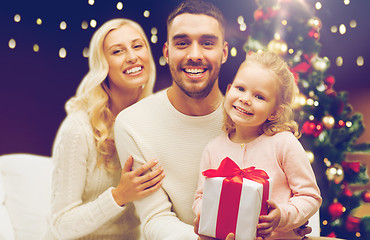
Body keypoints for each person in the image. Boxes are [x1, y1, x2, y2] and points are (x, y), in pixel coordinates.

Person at [114, 1, 312, 239]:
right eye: (182, 43)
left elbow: (302, 193)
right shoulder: (133, 124)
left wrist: (289, 220)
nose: (195, 55)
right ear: (167, 52)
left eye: (207, 43)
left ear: (224, 52)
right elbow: (155, 218)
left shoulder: (258, 122)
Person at [45, 18, 165, 240]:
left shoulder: (155, 122)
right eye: (118, 51)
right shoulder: (79, 128)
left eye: (138, 46)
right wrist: (119, 196)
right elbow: (59, 226)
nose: (132, 57)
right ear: (103, 66)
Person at [193, 51, 322, 239]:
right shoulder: (213, 149)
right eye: (240, 88)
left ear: (275, 113)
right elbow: (200, 198)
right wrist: (203, 214)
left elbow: (310, 197)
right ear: (228, 90)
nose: (245, 99)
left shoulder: (284, 144)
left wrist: (282, 215)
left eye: (259, 97)